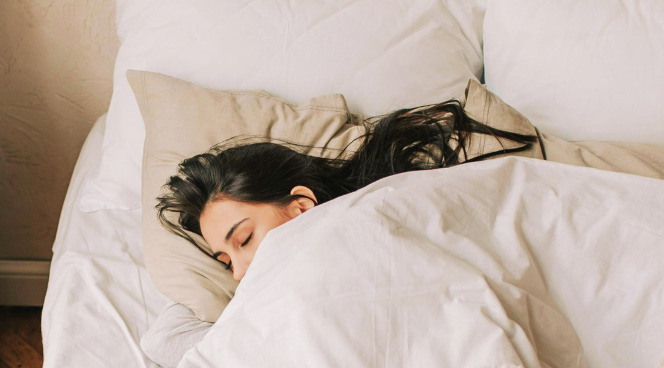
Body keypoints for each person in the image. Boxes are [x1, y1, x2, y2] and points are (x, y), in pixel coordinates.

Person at [157, 100, 536, 281]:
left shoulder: (380, 214)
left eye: (244, 239)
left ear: (301, 208)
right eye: (226, 262)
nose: (238, 275)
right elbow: (167, 340)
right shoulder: (268, 294)